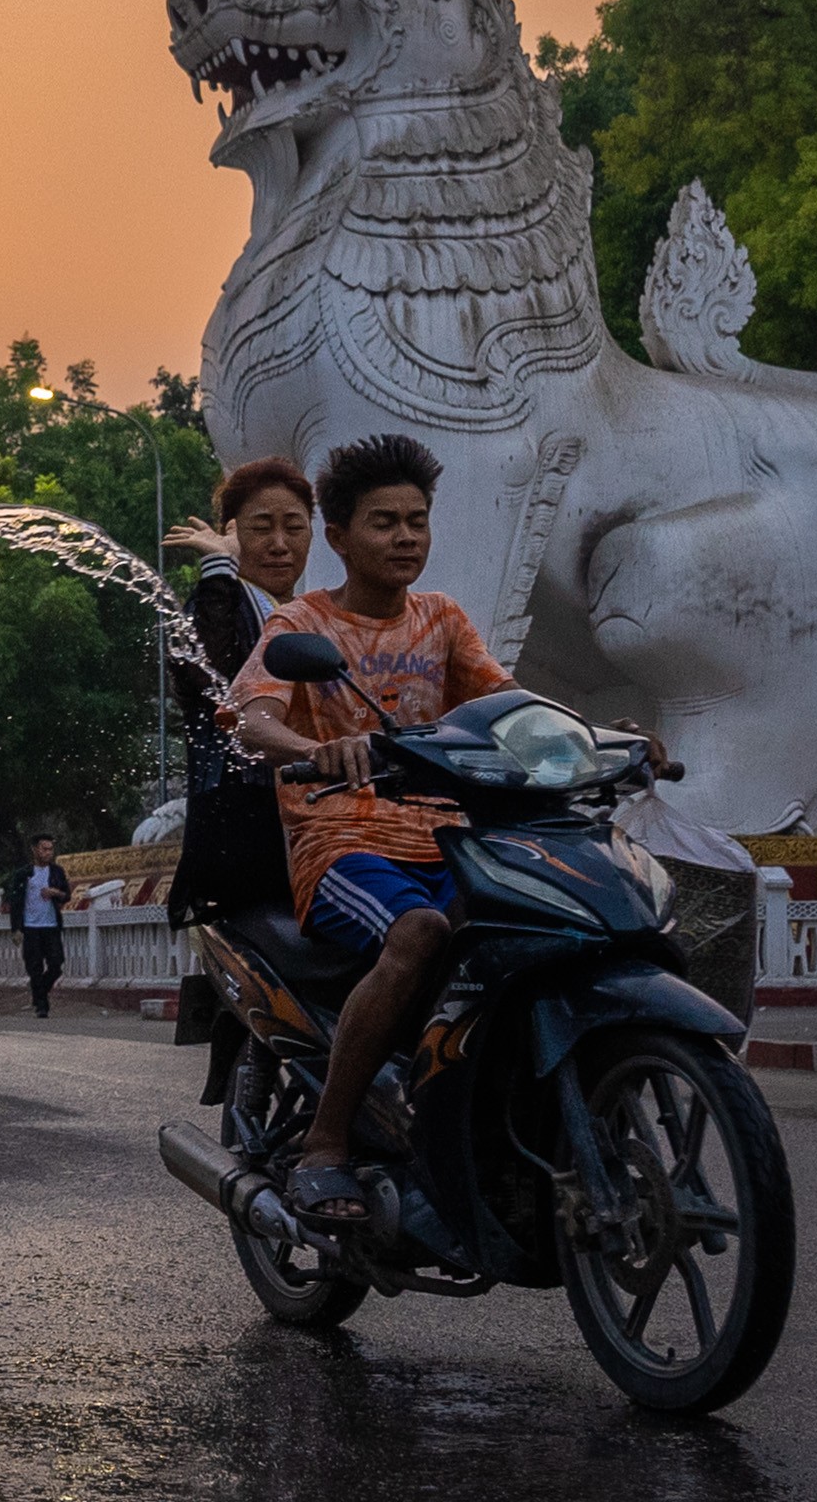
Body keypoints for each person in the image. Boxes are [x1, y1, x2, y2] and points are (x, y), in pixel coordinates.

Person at [230, 433, 516, 1229]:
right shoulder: (303, 622)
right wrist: (316, 750)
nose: (405, 539)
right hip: (344, 845)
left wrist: (600, 735)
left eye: (416, 522)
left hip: (449, 840)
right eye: (384, 522)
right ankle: (325, 1143)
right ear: (340, 537)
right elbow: (253, 721)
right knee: (421, 932)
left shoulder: (442, 619)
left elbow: (506, 705)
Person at [163, 458, 314, 922]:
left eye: (294, 527)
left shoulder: (311, 613)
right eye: (261, 528)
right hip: (242, 830)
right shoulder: (221, 600)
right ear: (231, 533)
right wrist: (217, 567)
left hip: (310, 821)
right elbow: (204, 674)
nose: (279, 544)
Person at [2, 835, 75, 1017]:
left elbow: (67, 895)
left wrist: (55, 892)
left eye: (50, 849)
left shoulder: (56, 872)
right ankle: (42, 1005)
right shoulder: (23, 874)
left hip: (51, 925)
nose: (48, 853)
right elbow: (16, 902)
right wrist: (16, 929)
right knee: (34, 967)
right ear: (35, 849)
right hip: (31, 926)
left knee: (56, 964)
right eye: (44, 849)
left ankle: (39, 991)